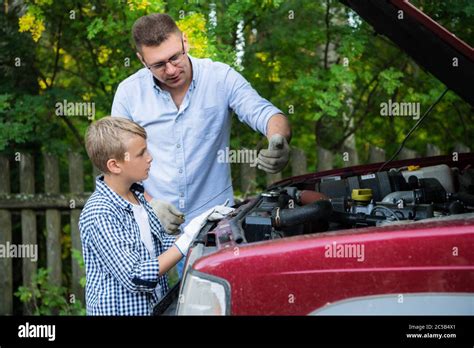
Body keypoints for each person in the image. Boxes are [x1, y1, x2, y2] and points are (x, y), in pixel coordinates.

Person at [111, 13, 291, 273]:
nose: (171, 70)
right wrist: (150, 203)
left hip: (213, 231)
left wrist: (278, 138)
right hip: (150, 232)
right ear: (141, 60)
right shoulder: (128, 93)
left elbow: (267, 114)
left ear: (185, 41)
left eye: (175, 57)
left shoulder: (220, 78)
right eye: (159, 64)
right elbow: (117, 164)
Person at [79, 117, 232, 315]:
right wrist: (185, 241)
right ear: (115, 165)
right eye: (141, 154)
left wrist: (199, 229)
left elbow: (157, 246)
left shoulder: (137, 197)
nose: (149, 157)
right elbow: (136, 276)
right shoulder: (100, 213)